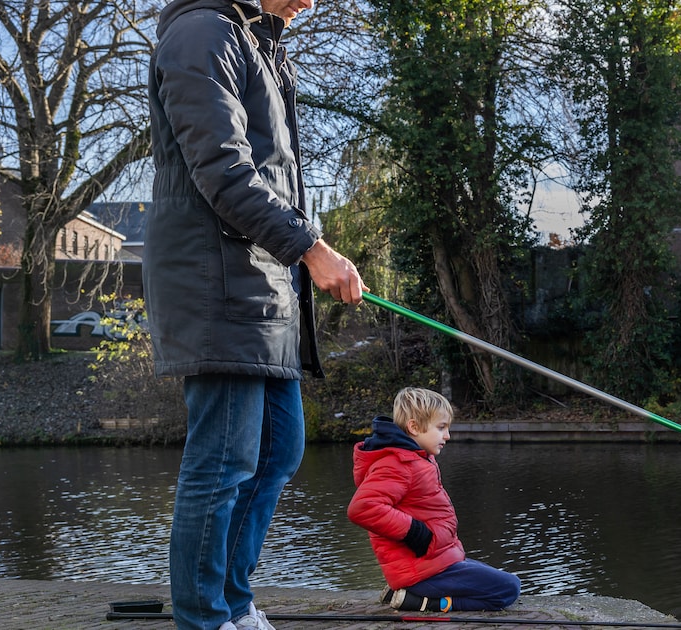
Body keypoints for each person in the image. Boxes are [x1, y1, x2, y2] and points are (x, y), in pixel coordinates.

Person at [146, 0, 365, 628]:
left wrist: (296, 257)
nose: (310, 3)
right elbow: (222, 170)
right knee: (222, 461)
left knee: (278, 451)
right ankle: (204, 618)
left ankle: (235, 607)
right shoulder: (200, 34)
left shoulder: (257, 42)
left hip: (263, 283)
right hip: (215, 284)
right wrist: (312, 248)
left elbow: (272, 177)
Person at [347, 387, 522, 612]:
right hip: (421, 570)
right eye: (441, 428)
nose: (447, 435)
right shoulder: (397, 463)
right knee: (508, 589)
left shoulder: (418, 458)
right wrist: (415, 532)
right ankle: (423, 601)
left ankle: (407, 593)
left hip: (435, 561)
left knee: (500, 577)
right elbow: (362, 507)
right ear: (414, 427)